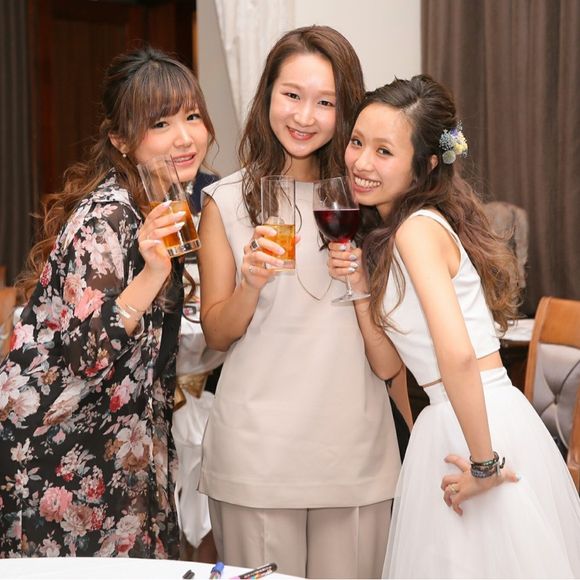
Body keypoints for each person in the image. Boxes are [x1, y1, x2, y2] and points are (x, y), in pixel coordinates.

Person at [327, 74, 580, 578]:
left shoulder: (417, 230)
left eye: (383, 151)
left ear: (425, 165)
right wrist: (358, 285)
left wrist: (484, 464)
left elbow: (457, 355)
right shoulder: (400, 232)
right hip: (454, 420)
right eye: (357, 142)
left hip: (477, 424)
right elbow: (388, 364)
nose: (361, 162)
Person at [197, 26, 401, 579]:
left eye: (326, 102)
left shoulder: (369, 205)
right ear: (268, 94)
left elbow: (389, 355)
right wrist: (250, 284)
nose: (305, 116)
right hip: (256, 454)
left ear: (347, 109)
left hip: (355, 453)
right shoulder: (225, 202)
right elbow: (216, 335)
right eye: (292, 95)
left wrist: (359, 280)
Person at [0, 46, 215, 558]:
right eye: (160, 124)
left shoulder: (159, 201)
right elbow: (87, 353)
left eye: (192, 117)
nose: (184, 137)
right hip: (58, 452)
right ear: (120, 139)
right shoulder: (108, 215)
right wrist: (154, 273)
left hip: (113, 443)